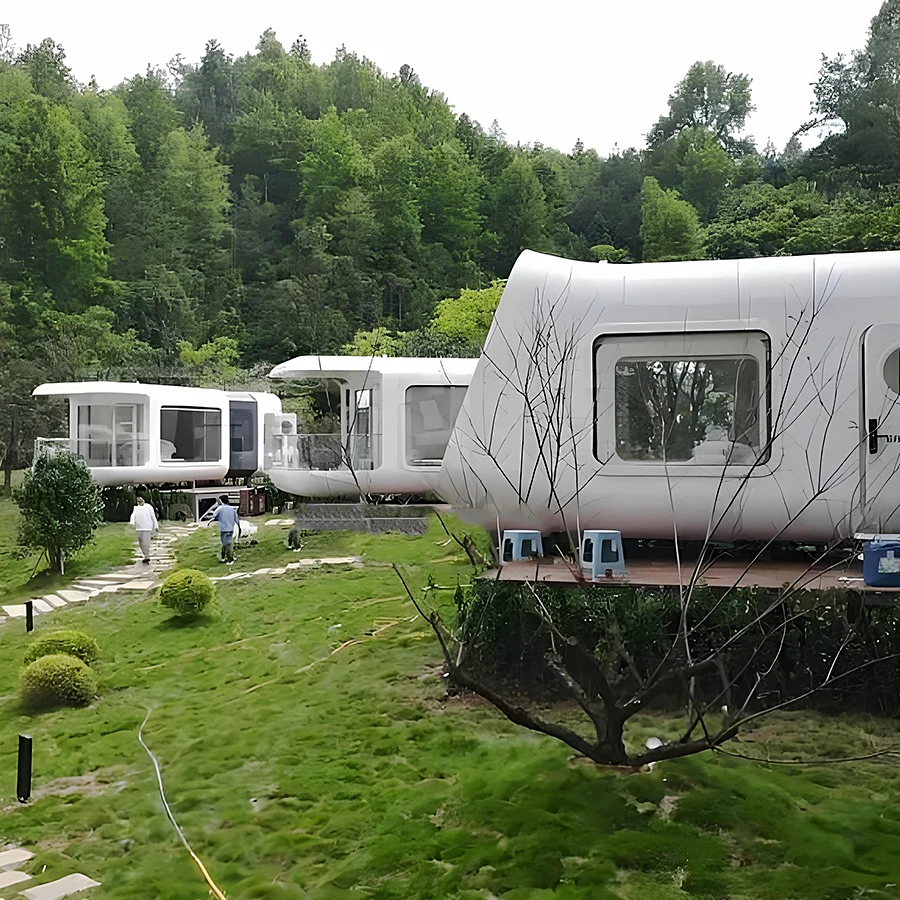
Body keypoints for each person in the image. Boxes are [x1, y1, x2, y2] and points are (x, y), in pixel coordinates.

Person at [129, 494, 158, 565]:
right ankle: (145, 554)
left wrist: (155, 526)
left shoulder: (148, 507)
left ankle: (147, 556)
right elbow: (133, 516)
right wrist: (132, 524)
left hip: (147, 527)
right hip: (138, 528)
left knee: (146, 542)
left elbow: (153, 516)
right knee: (141, 543)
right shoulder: (136, 508)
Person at [213, 495, 240, 564]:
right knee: (226, 543)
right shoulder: (232, 509)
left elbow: (214, 515)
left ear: (221, 501)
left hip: (223, 529)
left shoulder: (220, 508)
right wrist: (239, 527)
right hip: (231, 528)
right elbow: (236, 519)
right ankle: (223, 556)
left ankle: (230, 559)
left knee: (227, 544)